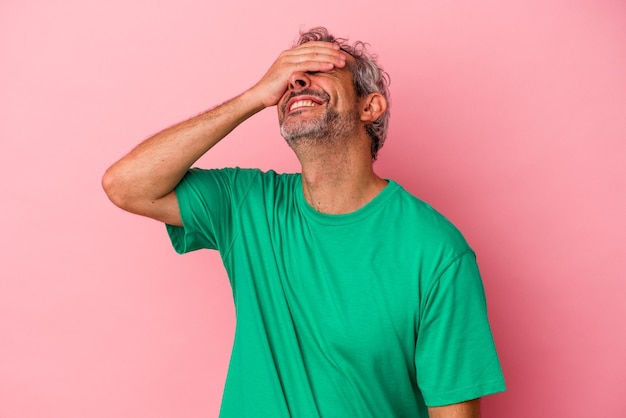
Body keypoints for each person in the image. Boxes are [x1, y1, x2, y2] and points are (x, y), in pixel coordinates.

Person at [103, 27, 505, 418]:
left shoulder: (436, 252)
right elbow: (126, 185)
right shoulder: (246, 204)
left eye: (321, 69)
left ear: (370, 106)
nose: (296, 81)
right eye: (290, 76)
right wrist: (252, 97)